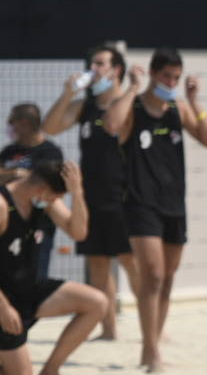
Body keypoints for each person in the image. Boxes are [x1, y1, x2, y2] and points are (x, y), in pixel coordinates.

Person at [105, 48, 207, 372]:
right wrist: (132, 87)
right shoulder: (134, 108)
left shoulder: (178, 108)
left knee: (167, 278)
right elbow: (111, 124)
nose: (171, 82)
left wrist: (194, 102)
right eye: (167, 76)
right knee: (152, 275)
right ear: (154, 74)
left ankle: (154, 340)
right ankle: (150, 349)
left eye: (176, 77)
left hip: (173, 203)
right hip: (141, 203)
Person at [42, 45, 144, 340]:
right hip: (92, 196)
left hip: (124, 195)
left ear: (116, 70)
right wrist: (67, 93)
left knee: (130, 261)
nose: (93, 68)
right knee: (98, 263)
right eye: (92, 63)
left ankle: (152, 326)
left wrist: (131, 89)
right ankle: (108, 330)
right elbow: (50, 127)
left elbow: (120, 123)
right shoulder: (85, 107)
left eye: (100, 63)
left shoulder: (130, 104)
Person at [0, 161, 109, 375]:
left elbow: (78, 232)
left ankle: (51, 370)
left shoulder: (43, 203)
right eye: (55, 197)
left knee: (97, 302)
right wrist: (3, 307)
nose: (56, 202)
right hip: (3, 300)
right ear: (41, 190)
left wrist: (77, 193)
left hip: (29, 291)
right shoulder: (3, 205)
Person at [0, 103, 65, 281]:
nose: (9, 125)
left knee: (35, 276)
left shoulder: (50, 152)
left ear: (24, 122)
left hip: (40, 223)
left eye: (12, 121)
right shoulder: (9, 151)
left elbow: (44, 183)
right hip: (11, 220)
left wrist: (16, 177)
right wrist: (14, 173)